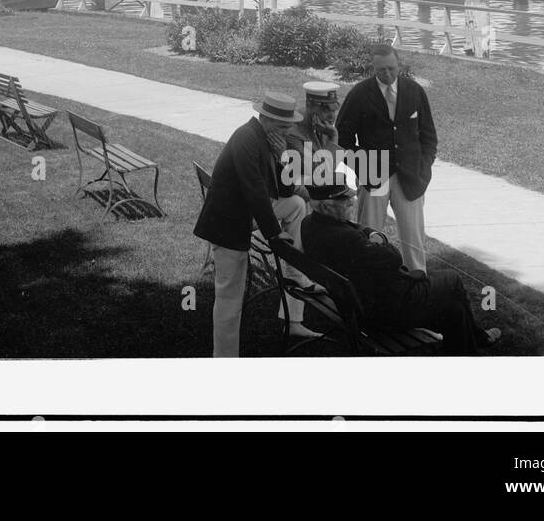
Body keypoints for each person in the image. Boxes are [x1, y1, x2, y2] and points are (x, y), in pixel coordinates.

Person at [299, 169, 500, 354]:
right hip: (387, 310)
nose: (351, 203)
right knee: (453, 280)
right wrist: (378, 240)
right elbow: (394, 258)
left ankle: (471, 343)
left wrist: (368, 235)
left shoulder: (311, 225)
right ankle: (477, 337)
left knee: (454, 311)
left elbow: (356, 228)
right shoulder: (345, 238)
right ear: (325, 206)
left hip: (358, 307)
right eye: (344, 200)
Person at [194, 92, 314, 356]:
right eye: (282, 126)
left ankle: (294, 317)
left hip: (245, 214)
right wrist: (274, 234)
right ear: (265, 118)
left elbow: (285, 192)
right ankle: (224, 359)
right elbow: (255, 190)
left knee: (296, 204)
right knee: (229, 299)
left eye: (288, 126)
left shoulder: (267, 140)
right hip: (228, 224)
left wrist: (282, 155)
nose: (287, 131)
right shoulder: (247, 138)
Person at [335, 44, 435, 272]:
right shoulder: (359, 94)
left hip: (410, 177)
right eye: (381, 71)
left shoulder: (415, 92)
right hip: (373, 177)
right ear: (373, 68)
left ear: (398, 65)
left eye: (391, 69)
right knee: (369, 237)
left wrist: (424, 168)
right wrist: (360, 167)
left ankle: (418, 286)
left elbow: (429, 136)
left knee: (413, 240)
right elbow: (343, 138)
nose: (387, 74)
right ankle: (368, 284)